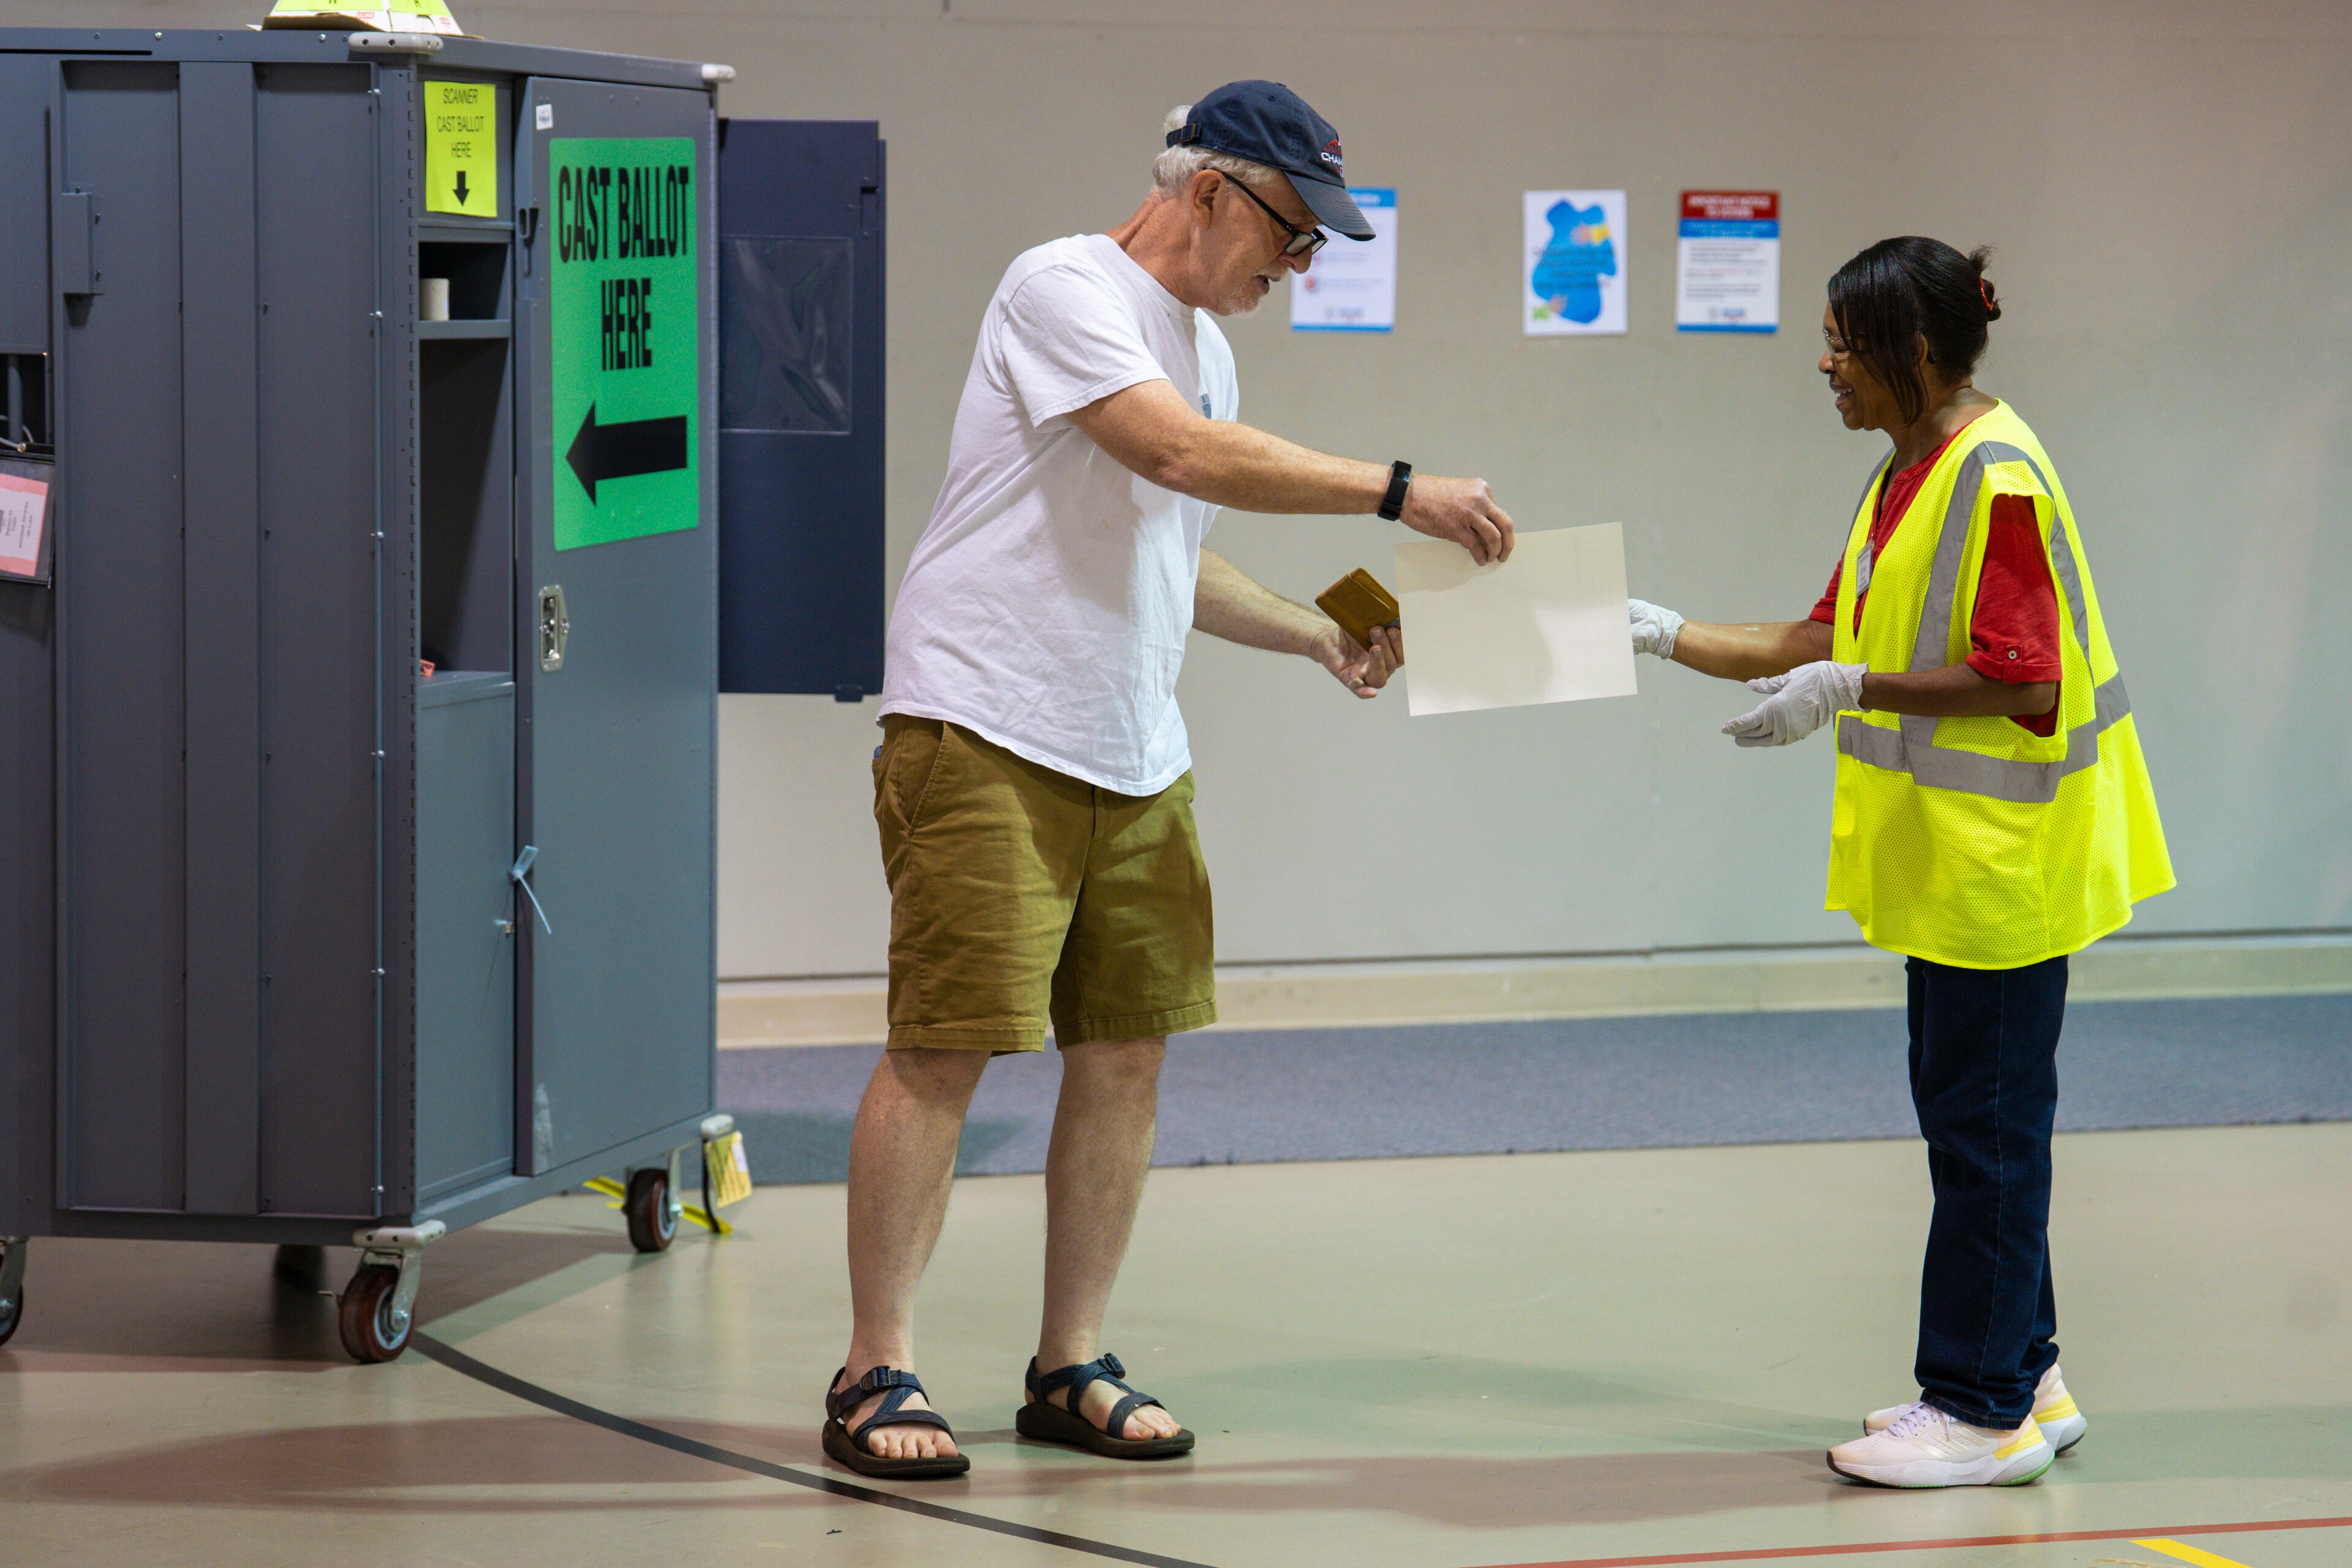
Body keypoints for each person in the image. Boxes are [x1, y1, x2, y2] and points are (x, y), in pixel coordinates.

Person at [823, 80, 1517, 1479]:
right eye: (1290, 231)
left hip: (1133, 748)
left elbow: (1173, 546)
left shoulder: (1207, 349)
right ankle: (873, 1366)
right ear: (1208, 189)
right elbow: (1174, 452)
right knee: (946, 1045)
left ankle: (1068, 1359)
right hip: (984, 727)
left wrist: (1319, 630)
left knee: (1126, 1054)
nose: (1297, 264)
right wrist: (1399, 490)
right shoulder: (1060, 286)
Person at [1627, 237, 2173, 1489]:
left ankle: (1977, 1406)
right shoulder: (1907, 475)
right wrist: (1664, 632)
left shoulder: (1995, 476)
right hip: (1957, 865)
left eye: (1839, 340)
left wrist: (1848, 687)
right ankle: (2028, 1368)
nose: (1822, 363)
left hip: (2006, 866)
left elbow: (2023, 673)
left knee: (1985, 1135)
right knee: (1977, 1122)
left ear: (1912, 349)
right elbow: (1820, 634)